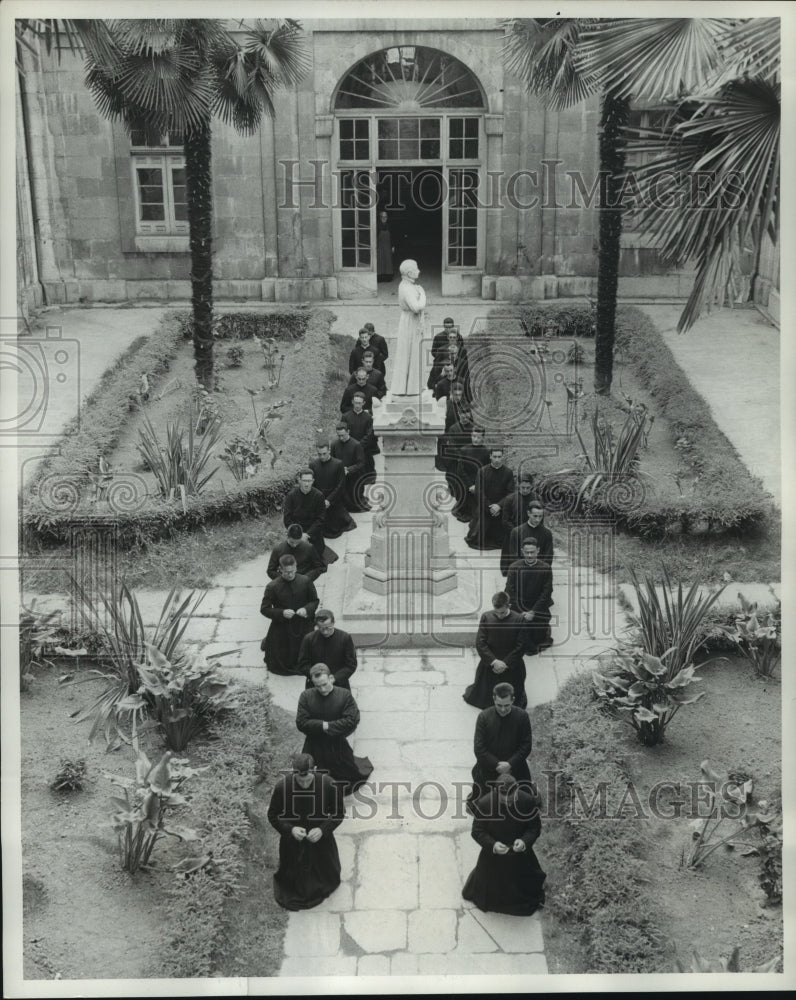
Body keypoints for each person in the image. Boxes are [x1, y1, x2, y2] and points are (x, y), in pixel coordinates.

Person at [267, 752, 345, 911]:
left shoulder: (329, 784)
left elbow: (338, 813)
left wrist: (322, 830)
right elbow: (273, 815)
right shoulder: (283, 787)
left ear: (314, 769)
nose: (303, 782)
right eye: (299, 778)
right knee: (294, 885)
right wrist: (290, 829)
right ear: (293, 771)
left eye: (307, 778)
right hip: (293, 844)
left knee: (326, 878)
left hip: (320, 844)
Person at [462, 772, 546, 916]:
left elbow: (534, 828)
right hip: (493, 857)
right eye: (504, 800)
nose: (508, 803)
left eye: (511, 799)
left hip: (519, 855)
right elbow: (477, 832)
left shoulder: (528, 801)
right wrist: (493, 845)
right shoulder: (484, 803)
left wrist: (524, 841)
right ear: (496, 792)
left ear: (517, 790)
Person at [296, 663, 373, 795]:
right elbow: (301, 723)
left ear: (331, 678)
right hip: (314, 743)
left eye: (324, 684)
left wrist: (328, 727)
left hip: (337, 743)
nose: (322, 689)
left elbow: (351, 720)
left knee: (347, 776)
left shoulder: (344, 695)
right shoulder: (306, 696)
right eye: (317, 686)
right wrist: (322, 725)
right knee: (305, 777)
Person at [468, 682, 533, 810]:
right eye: (499, 705)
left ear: (513, 700)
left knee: (522, 805)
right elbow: (479, 748)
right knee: (485, 806)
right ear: (494, 699)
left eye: (507, 705)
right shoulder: (483, 717)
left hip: (516, 768)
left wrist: (510, 764)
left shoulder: (522, 716)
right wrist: (497, 765)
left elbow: (526, 745)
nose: (503, 709)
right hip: (488, 767)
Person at [464, 592, 527, 710]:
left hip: (512, 665)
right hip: (490, 664)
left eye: (502, 612)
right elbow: (480, 643)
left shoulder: (519, 619)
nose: (499, 616)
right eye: (496, 612)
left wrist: (505, 663)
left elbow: (521, 646)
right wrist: (494, 661)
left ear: (509, 605)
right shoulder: (486, 617)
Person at [260, 554, 319, 675]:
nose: (290, 574)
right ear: (280, 570)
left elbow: (314, 601)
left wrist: (306, 609)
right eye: (287, 572)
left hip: (303, 624)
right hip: (282, 626)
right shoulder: (272, 586)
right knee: (280, 660)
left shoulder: (305, 581)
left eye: (292, 571)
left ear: (296, 567)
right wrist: (281, 613)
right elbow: (264, 609)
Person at [506, 537, 554, 654]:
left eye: (532, 552)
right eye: (526, 552)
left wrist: (533, 612)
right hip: (518, 608)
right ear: (522, 551)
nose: (529, 555)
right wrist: (521, 611)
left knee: (538, 637)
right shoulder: (514, 567)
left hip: (537, 608)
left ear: (538, 550)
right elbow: (510, 592)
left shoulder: (546, 568)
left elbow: (546, 593)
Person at [466, 447, 515, 550]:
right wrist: (490, 507)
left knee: (504, 538)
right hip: (485, 508)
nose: (497, 459)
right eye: (495, 457)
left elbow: (510, 493)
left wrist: (499, 506)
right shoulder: (482, 471)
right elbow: (479, 492)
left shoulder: (508, 472)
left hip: (501, 509)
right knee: (478, 538)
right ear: (490, 457)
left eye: (499, 457)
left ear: (503, 457)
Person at [298, 609, 358, 690]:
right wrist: (317, 677)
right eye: (321, 628)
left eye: (328, 627)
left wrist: (335, 678)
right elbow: (303, 664)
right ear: (317, 626)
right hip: (315, 685)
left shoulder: (345, 638)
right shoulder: (308, 639)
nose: (325, 632)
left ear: (333, 623)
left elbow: (351, 664)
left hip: (339, 685)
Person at [391, 259, 426, 396]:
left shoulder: (407, 285)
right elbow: (417, 307)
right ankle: (408, 388)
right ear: (409, 273)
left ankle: (413, 386)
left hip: (410, 321)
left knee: (413, 352)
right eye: (416, 269)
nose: (419, 271)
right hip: (410, 321)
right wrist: (423, 294)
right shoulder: (406, 288)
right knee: (409, 352)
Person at [310, 441, 356, 538]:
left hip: (334, 499)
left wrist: (329, 500)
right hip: (319, 498)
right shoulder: (313, 465)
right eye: (319, 454)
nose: (322, 457)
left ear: (329, 451)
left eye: (324, 454)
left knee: (336, 525)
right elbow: (312, 484)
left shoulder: (338, 464)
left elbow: (340, 485)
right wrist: (319, 499)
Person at [502, 499, 554, 577]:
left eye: (540, 516)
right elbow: (514, 556)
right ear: (528, 513)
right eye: (535, 516)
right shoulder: (516, 532)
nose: (538, 519)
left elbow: (548, 557)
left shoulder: (547, 533)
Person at [499, 474, 539, 575]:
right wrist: (517, 532)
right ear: (518, 486)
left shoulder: (536, 499)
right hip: (513, 533)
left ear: (532, 486)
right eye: (523, 487)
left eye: (528, 488)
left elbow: (539, 518)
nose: (525, 490)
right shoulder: (510, 499)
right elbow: (505, 520)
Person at [283, 468, 326, 559]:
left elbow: (321, 519)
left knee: (316, 563)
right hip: (296, 533)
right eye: (304, 481)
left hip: (313, 534)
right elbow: (287, 518)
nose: (306, 484)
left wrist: (307, 535)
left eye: (309, 481)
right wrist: (299, 534)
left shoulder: (319, 496)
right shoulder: (291, 496)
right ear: (299, 481)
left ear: (313, 481)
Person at [453, 425, 490, 522]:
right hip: (467, 486)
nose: (475, 439)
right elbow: (460, 470)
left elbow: (487, 471)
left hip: (481, 486)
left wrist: (477, 486)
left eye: (478, 437)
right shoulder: (464, 450)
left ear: (483, 438)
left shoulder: (487, 452)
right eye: (473, 436)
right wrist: (470, 485)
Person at [331, 422, 369, 513]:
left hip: (353, 477)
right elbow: (332, 460)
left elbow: (361, 463)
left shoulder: (356, 445)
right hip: (340, 477)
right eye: (339, 435)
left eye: (343, 435)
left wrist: (348, 470)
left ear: (348, 432)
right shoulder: (334, 445)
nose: (341, 438)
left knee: (355, 505)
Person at [341, 392, 379, 481]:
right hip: (350, 448)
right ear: (352, 402)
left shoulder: (368, 417)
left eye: (359, 403)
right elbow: (343, 431)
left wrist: (359, 446)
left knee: (365, 475)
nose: (357, 405)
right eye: (355, 403)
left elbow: (369, 434)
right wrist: (351, 445)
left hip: (364, 449)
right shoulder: (346, 416)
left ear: (363, 403)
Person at [427, 317, 464, 390]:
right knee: (435, 375)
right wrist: (444, 357)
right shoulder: (438, 337)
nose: (448, 329)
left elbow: (462, 350)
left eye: (450, 327)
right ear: (444, 326)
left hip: (455, 360)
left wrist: (453, 359)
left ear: (453, 327)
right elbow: (433, 352)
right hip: (441, 361)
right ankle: (436, 388)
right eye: (446, 327)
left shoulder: (458, 337)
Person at [376, 211, 394, 282]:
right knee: (380, 262)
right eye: (382, 217)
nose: (384, 218)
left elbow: (393, 236)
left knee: (388, 262)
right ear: (380, 217)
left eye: (385, 217)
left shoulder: (389, 225)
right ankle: (380, 278)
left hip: (388, 246)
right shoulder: (377, 225)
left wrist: (393, 246)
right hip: (379, 247)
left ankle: (388, 278)